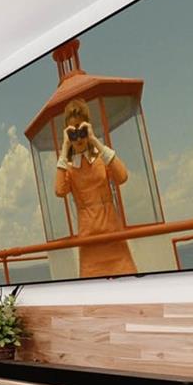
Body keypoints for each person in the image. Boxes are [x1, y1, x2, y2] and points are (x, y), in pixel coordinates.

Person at [54, 98, 137, 277]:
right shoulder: (69, 167)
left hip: (114, 239)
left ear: (88, 127)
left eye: (81, 129)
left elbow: (122, 176)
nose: (78, 137)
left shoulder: (102, 159)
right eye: (73, 131)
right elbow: (59, 190)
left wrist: (94, 140)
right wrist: (65, 147)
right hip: (89, 245)